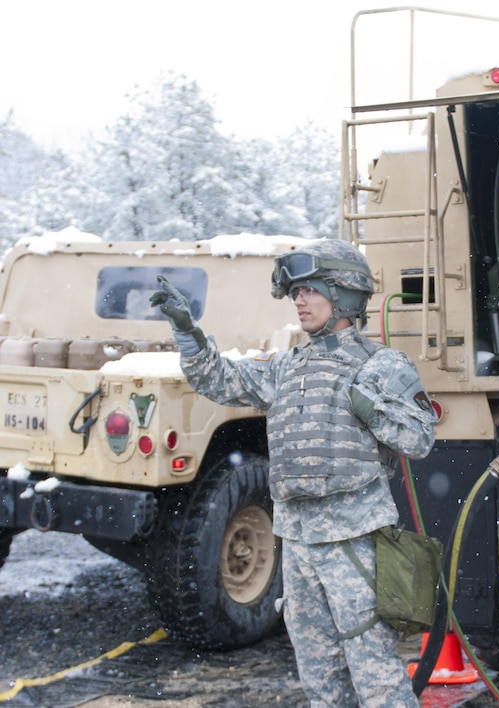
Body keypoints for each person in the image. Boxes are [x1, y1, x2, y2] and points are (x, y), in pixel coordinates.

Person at [151, 238, 436, 707]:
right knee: (320, 682)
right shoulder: (286, 368)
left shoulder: (380, 365)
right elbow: (220, 379)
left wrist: (372, 408)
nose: (298, 301)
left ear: (343, 294)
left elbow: (419, 441)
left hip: (354, 544)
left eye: (309, 290)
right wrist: (188, 331)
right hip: (298, 542)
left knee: (379, 681)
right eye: (295, 292)